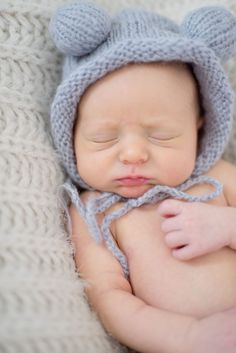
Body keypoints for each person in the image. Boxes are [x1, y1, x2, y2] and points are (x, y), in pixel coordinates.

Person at [49, 2, 236, 353]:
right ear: (71, 133)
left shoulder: (217, 178)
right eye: (104, 137)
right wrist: (189, 337)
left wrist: (228, 226)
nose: (133, 154)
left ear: (200, 128)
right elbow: (110, 299)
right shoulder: (94, 211)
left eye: (161, 135)